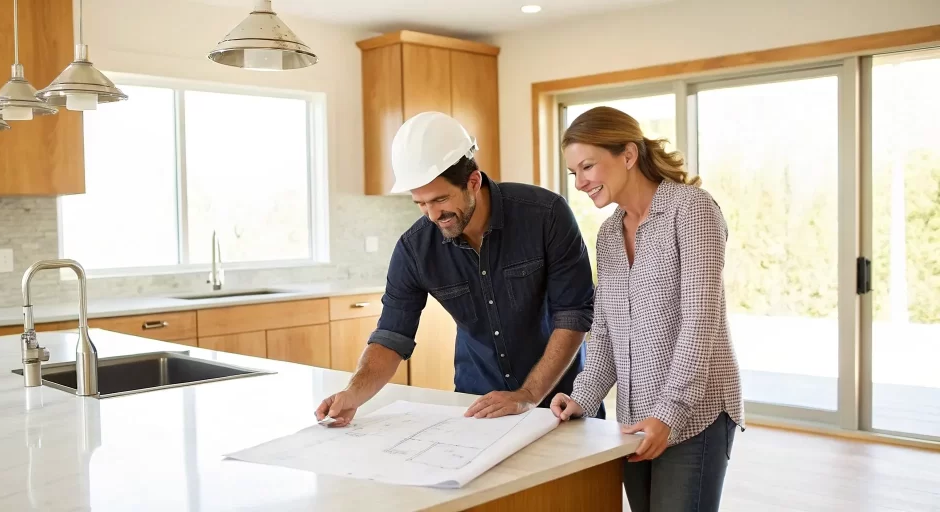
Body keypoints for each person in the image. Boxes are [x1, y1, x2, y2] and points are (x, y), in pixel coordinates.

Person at [315, 111, 600, 426]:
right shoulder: (415, 249)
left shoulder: (545, 215)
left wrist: (528, 394)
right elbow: (391, 336)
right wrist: (353, 393)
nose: (433, 215)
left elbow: (573, 315)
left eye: (440, 200)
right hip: (477, 407)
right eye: (421, 204)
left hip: (561, 404)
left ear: (473, 182)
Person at [549, 106, 745, 512]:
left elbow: (700, 321)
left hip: (697, 415)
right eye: (574, 173)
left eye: (588, 166)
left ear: (628, 155)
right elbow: (604, 332)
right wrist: (580, 397)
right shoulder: (607, 235)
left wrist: (669, 412)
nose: (581, 182)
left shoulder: (691, 210)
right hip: (634, 418)